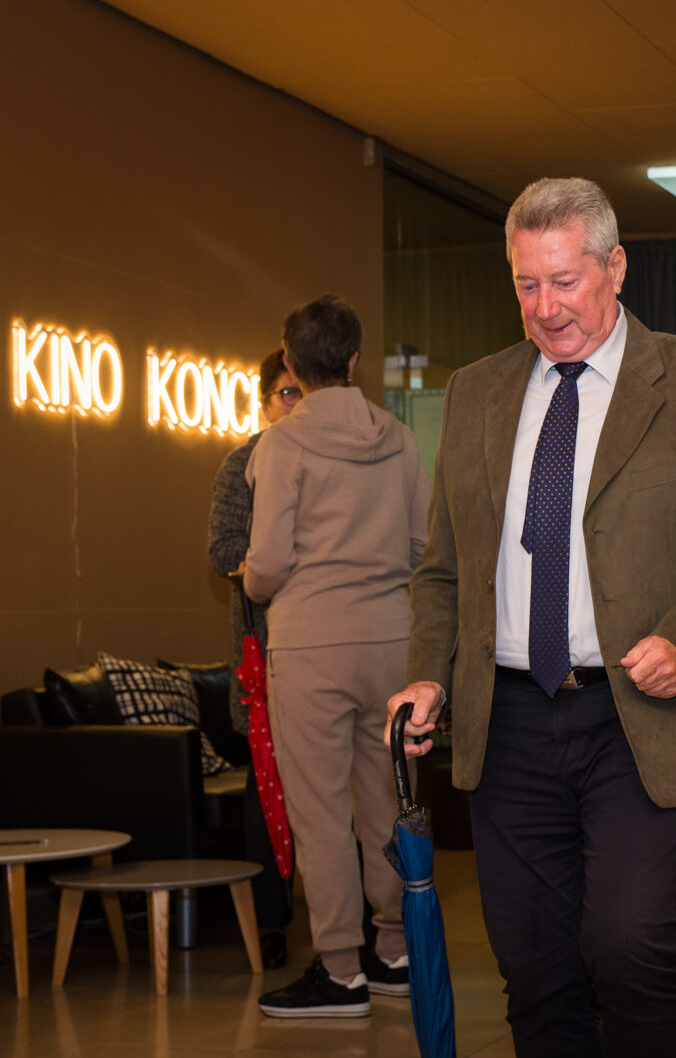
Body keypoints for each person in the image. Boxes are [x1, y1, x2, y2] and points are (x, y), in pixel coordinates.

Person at [387, 177, 676, 1057]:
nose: (546, 308)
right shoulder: (476, 392)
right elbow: (444, 569)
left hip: (636, 715)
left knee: (626, 943)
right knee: (534, 964)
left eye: (566, 281)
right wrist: (428, 674)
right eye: (527, 285)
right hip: (508, 720)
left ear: (616, 267)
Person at [244, 296, 430, 1017]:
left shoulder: (280, 445)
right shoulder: (400, 439)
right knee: (385, 802)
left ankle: (341, 969)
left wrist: (256, 581)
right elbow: (423, 546)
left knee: (320, 813)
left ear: (292, 365)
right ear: (354, 360)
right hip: (390, 642)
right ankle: (394, 953)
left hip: (310, 647)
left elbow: (266, 565)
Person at [206, 348, 301, 970]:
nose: (297, 404)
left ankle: (365, 929)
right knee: (264, 797)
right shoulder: (242, 465)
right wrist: (274, 563)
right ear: (265, 403)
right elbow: (223, 553)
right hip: (264, 660)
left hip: (331, 655)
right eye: (287, 394)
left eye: (304, 393)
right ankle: (269, 923)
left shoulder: (338, 460)